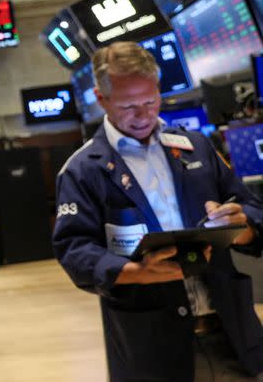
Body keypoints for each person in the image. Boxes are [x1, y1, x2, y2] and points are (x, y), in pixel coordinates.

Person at [53, 41, 263, 382]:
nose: (144, 115)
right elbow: (73, 249)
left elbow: (252, 208)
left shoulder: (196, 147)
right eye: (128, 106)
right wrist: (132, 270)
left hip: (232, 335)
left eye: (151, 101)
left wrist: (244, 225)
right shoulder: (83, 170)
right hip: (150, 346)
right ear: (101, 98)